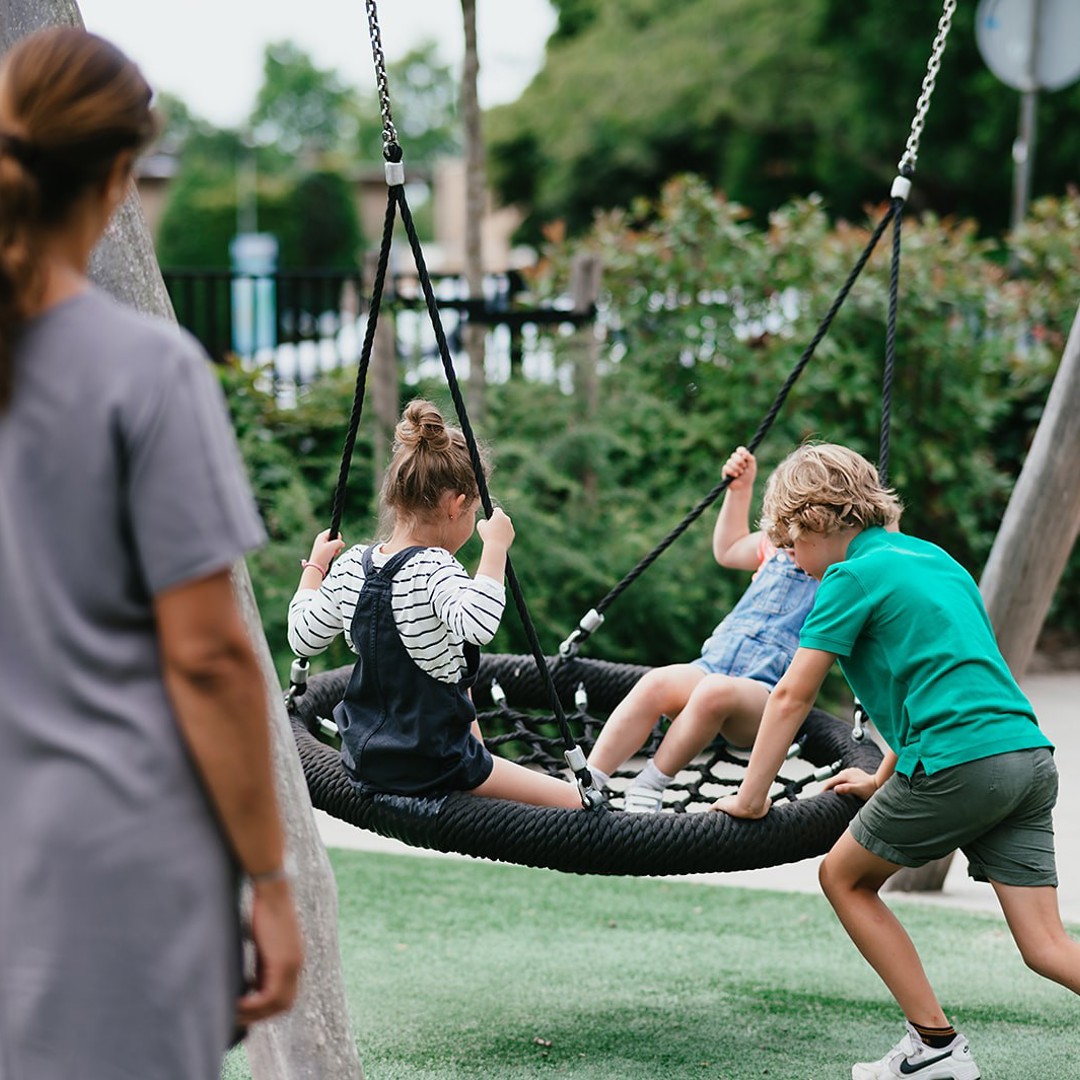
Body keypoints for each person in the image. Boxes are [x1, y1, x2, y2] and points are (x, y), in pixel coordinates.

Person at [0, 28, 302, 1079]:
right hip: (111, 874)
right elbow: (210, 657)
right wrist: (269, 880)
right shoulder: (144, 372)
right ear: (123, 173)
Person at [713, 443, 1079, 1080]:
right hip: (1025, 756)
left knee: (844, 878)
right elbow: (941, 680)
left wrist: (752, 795)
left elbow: (791, 695)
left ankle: (934, 1045)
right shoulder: (934, 559)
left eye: (791, 543)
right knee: (1047, 948)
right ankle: (932, 1047)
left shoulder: (848, 577)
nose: (791, 560)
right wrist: (882, 774)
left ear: (816, 522)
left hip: (959, 764)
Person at [288, 398, 582, 809]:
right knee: (574, 801)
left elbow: (303, 638)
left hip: (365, 759)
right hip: (433, 763)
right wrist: (495, 549)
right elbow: (478, 624)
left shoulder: (354, 562)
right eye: (474, 512)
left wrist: (316, 567)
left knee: (453, 671)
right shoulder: (435, 569)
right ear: (456, 506)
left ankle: (482, 757)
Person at [587, 446, 818, 812]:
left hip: (763, 696)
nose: (790, 551)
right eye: (783, 539)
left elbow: (881, 541)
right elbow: (727, 550)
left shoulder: (839, 572)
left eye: (800, 541)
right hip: (711, 667)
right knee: (656, 683)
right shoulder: (772, 549)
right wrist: (740, 491)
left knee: (715, 690)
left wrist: (876, 513)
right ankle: (589, 779)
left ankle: (650, 783)